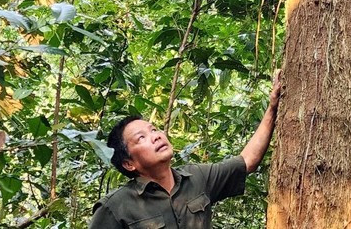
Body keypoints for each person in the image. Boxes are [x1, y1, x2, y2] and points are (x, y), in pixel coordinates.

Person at [89, 72, 282, 229]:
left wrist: (272, 108)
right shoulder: (114, 207)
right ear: (128, 163)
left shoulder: (197, 177)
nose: (156, 136)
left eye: (154, 130)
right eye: (141, 138)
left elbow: (247, 161)